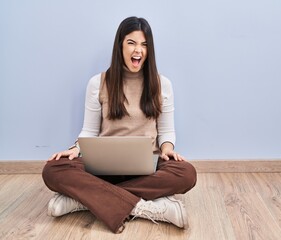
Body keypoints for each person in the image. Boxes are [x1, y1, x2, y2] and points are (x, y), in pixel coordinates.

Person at [42, 16, 197, 234]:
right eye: (131, 43)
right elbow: (89, 131)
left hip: (148, 168)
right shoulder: (98, 83)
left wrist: (168, 150)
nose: (138, 50)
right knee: (53, 170)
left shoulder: (163, 85)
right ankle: (147, 208)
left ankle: (83, 201)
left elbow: (166, 131)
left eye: (144, 44)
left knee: (186, 173)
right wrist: (74, 149)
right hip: (102, 169)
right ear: (120, 46)